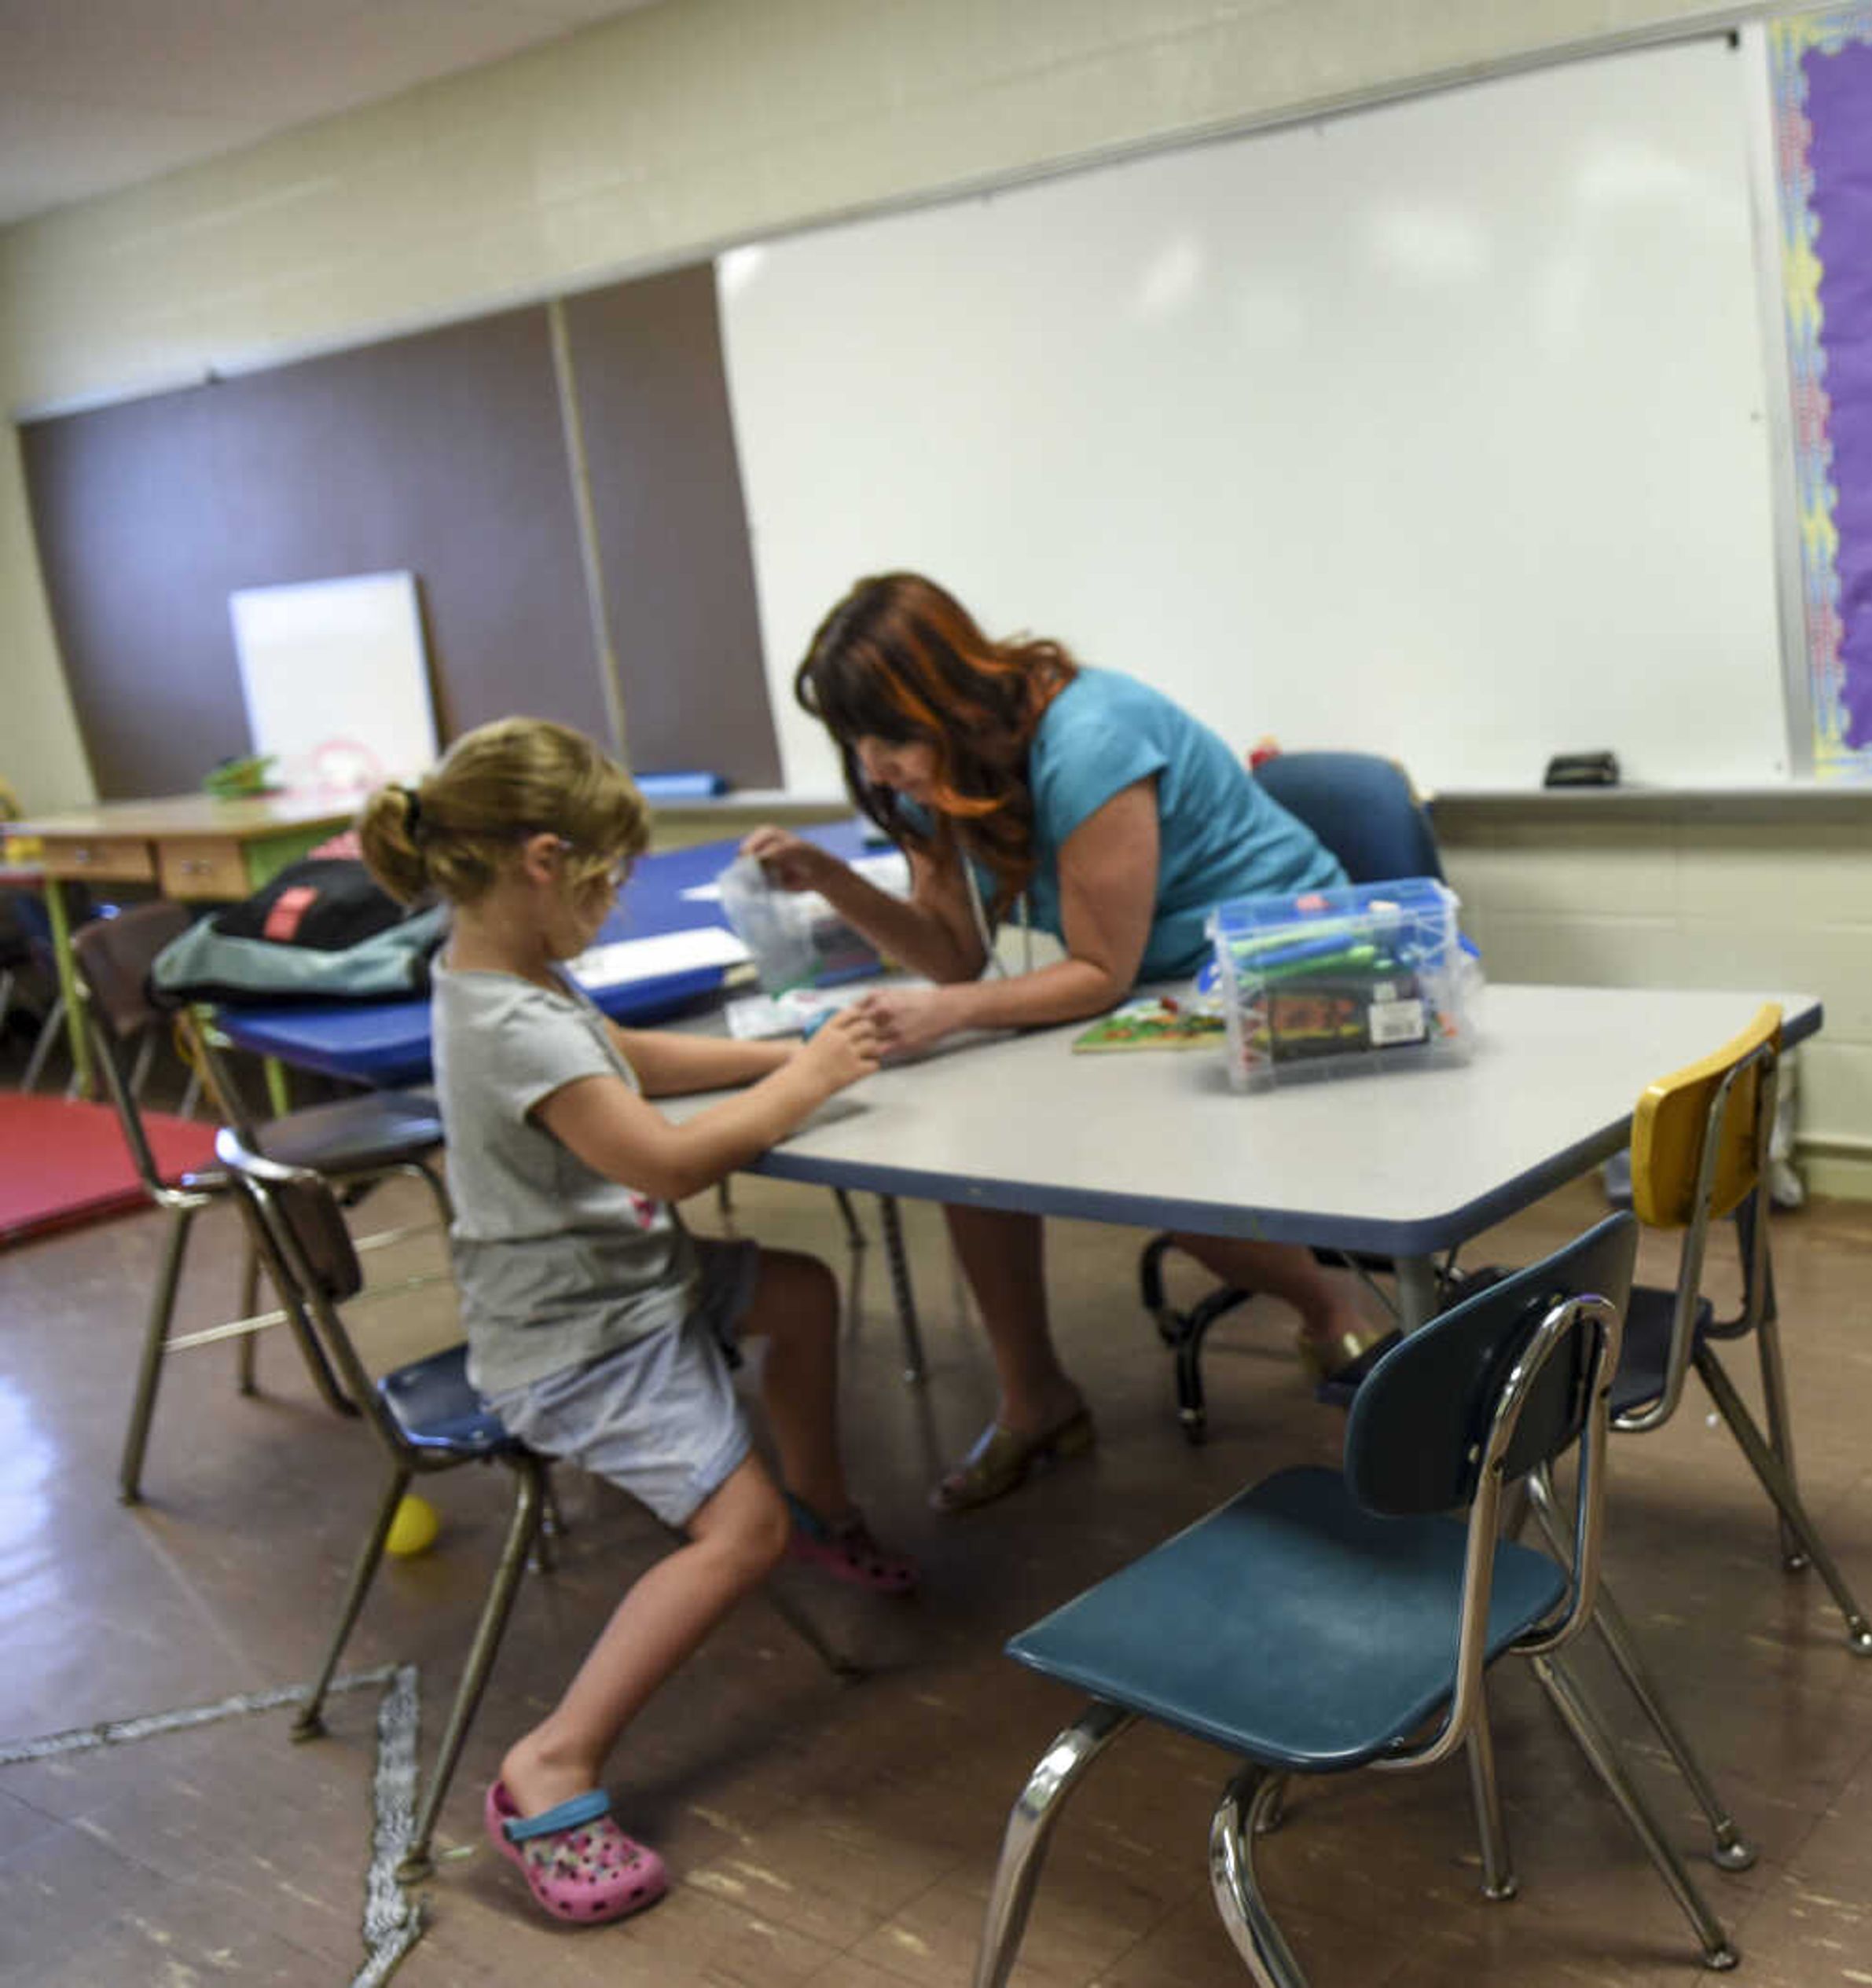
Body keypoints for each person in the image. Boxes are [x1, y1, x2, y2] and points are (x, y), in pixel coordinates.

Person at [358, 718, 917, 1927]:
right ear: (545, 859)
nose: (615, 906)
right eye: (609, 882)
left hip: (623, 1283)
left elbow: (623, 1062)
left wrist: (782, 1048)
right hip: (581, 1340)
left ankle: (824, 1504)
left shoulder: (505, 974)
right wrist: (802, 1082)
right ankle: (549, 1763)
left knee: (803, 1292)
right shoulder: (505, 1020)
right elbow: (657, 1163)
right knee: (738, 1530)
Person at [741, 572, 1392, 1513]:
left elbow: (1097, 973)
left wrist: (951, 1012)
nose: (874, 766)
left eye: (888, 736)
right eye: (856, 742)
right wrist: (833, 880)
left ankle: (1332, 1309)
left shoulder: (1090, 737)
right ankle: (1034, 1396)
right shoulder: (944, 772)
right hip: (1172, 979)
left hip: (1297, 960)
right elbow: (956, 953)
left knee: (1167, 1170)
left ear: (947, 700)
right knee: (974, 1142)